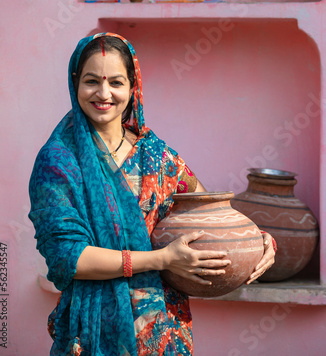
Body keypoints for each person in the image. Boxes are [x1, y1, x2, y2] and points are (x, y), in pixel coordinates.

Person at [29, 32, 275, 355]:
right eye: (92, 81)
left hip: (164, 334)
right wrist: (160, 259)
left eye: (116, 82)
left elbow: (207, 214)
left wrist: (261, 241)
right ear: (75, 83)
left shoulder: (155, 157)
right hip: (93, 334)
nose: (104, 93)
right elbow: (69, 257)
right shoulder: (59, 162)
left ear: (133, 87)